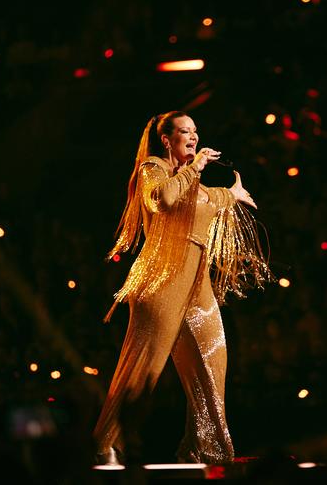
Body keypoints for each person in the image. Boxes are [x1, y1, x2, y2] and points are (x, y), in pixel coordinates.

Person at [92, 111, 273, 465]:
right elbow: (162, 199)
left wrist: (231, 194)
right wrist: (197, 166)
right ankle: (105, 448)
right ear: (167, 139)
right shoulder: (154, 168)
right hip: (162, 282)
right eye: (185, 131)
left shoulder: (191, 180)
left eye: (195, 131)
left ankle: (206, 449)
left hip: (197, 286)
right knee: (143, 371)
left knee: (212, 362)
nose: (193, 137)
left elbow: (205, 201)